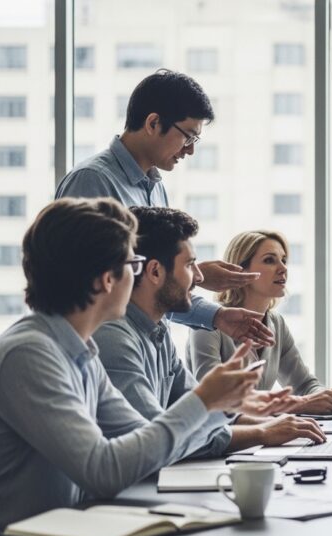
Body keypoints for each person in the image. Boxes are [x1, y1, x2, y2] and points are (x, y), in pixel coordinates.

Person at [0, 198, 261, 536]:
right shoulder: (29, 355)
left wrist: (214, 407)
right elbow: (105, 469)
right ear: (105, 280)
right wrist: (204, 401)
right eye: (132, 264)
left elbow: (146, 442)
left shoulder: (80, 351)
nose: (137, 275)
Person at [54, 69, 273, 348]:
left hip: (146, 349)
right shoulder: (92, 181)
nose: (190, 150)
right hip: (105, 354)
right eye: (188, 136)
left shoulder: (156, 188)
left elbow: (153, 291)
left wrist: (215, 312)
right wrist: (188, 274)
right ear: (153, 123)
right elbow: (83, 283)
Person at [94, 207, 326, 457]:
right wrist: (263, 432)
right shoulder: (114, 339)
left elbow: (201, 414)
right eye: (191, 265)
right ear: (154, 272)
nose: (200, 277)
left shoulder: (158, 333)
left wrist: (271, 424)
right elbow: (158, 441)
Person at [188, 230, 332, 414]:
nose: (283, 268)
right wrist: (299, 404)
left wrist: (327, 397)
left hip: (258, 436)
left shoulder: (276, 323)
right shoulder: (209, 322)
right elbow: (213, 399)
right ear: (239, 270)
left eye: (284, 260)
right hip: (221, 439)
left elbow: (304, 385)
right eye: (269, 260)